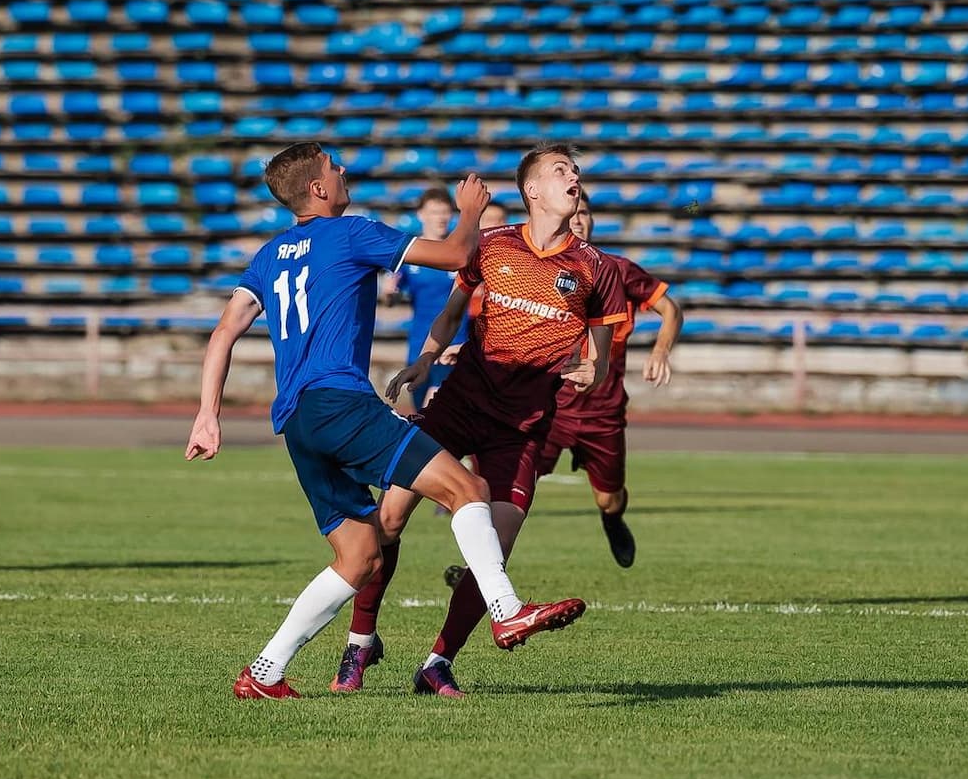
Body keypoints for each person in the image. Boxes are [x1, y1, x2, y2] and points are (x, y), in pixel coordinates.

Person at [183, 142, 587, 700]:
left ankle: (264, 672)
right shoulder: (350, 232)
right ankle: (508, 611)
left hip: (297, 421)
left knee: (361, 554)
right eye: (334, 166)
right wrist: (469, 211)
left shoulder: (269, 254)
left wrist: (208, 414)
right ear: (319, 189)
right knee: (466, 488)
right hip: (341, 404)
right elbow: (452, 256)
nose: (344, 169)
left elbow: (223, 332)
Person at [337, 143, 628, 697]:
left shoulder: (596, 268)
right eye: (561, 170)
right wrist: (424, 360)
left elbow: (602, 346)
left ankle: (438, 662)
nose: (574, 177)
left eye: (576, 171)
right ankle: (361, 640)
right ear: (532, 191)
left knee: (497, 541)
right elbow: (451, 312)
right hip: (458, 406)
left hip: (522, 427)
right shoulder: (492, 246)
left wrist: (596, 369)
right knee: (390, 519)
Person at [518, 193, 683, 568]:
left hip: (603, 412)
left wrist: (660, 350)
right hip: (550, 408)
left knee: (608, 497)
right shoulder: (537, 270)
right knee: (517, 487)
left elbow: (670, 308)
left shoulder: (619, 270)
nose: (578, 220)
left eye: (585, 213)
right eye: (571, 213)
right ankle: (482, 568)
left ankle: (612, 518)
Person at [384, 187, 459, 411]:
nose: (441, 218)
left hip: (453, 348)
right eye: (435, 212)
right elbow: (390, 300)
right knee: (422, 416)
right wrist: (390, 293)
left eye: (445, 212)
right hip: (419, 348)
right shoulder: (411, 253)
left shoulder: (460, 252)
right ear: (421, 214)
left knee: (437, 412)